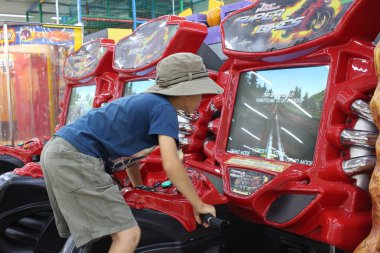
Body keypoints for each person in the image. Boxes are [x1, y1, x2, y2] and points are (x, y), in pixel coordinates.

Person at [40, 52, 224, 253]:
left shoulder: (148, 102)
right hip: (75, 157)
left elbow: (128, 157)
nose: (201, 99)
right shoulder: (165, 109)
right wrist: (198, 204)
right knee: (128, 235)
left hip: (58, 151)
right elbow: (171, 165)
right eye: (200, 93)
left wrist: (139, 188)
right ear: (186, 92)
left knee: (101, 232)